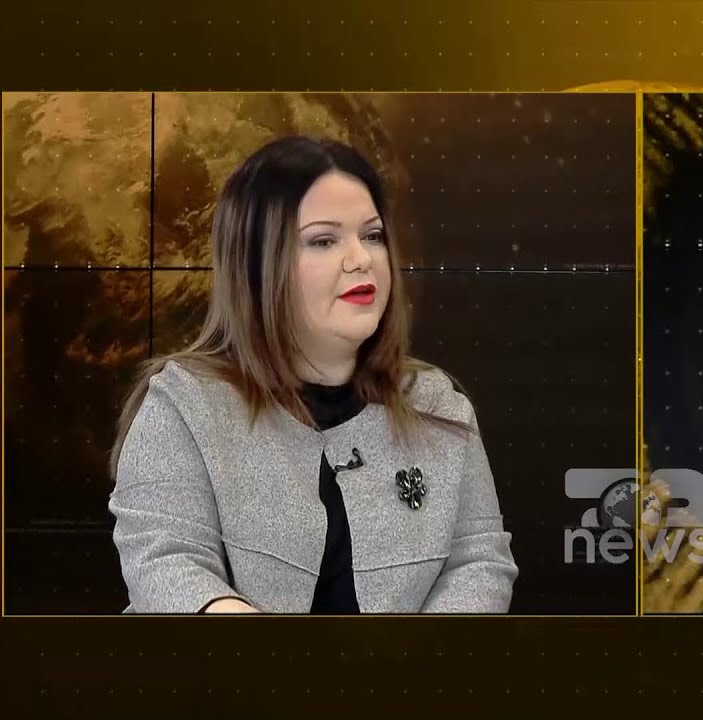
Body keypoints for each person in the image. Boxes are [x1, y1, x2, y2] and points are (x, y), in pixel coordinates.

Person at [107, 136, 518, 614]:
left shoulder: (435, 404)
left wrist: (415, 655)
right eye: (324, 240)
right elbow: (165, 561)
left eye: (372, 235)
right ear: (258, 264)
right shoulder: (183, 404)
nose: (361, 258)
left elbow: (479, 561)